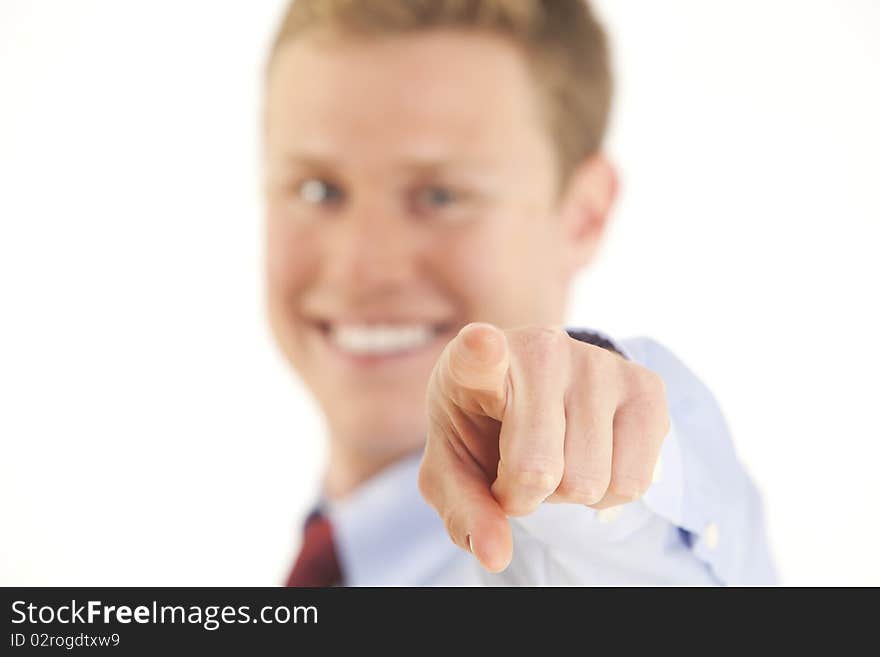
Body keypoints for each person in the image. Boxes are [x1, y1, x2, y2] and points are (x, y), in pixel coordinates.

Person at [263, 0, 776, 585]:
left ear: (584, 216)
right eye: (317, 190)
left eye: (441, 196)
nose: (360, 266)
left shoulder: (560, 557)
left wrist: (603, 467)